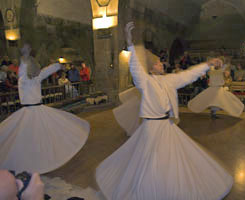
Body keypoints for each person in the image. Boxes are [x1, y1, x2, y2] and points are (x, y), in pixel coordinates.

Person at [96, 22, 233, 200]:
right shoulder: (145, 81)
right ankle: (147, 192)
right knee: (150, 161)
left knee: (170, 160)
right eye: (159, 64)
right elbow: (136, 68)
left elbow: (188, 75)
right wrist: (129, 43)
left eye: (161, 63)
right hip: (151, 128)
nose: (162, 64)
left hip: (166, 126)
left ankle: (166, 189)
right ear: (152, 68)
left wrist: (208, 64)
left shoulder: (169, 80)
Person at [0, 43, 90, 174]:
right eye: (33, 68)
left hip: (37, 110)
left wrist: (58, 65)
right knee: (30, 137)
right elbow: (27, 71)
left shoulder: (34, 78)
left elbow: (46, 70)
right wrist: (25, 57)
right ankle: (32, 160)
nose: (36, 71)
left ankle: (41, 158)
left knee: (40, 136)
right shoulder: (24, 80)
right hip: (29, 112)